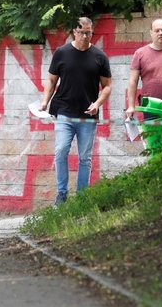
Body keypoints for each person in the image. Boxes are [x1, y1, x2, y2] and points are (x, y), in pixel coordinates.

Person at [40, 17, 113, 205]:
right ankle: (62, 194)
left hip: (87, 115)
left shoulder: (99, 57)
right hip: (64, 110)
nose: (85, 36)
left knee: (85, 158)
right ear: (74, 31)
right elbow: (51, 80)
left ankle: (82, 198)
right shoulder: (62, 53)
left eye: (89, 32)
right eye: (82, 32)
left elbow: (107, 86)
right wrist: (45, 101)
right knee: (61, 150)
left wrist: (97, 104)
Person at [126, 18, 162, 120]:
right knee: (154, 136)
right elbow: (133, 81)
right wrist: (131, 106)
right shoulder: (140, 53)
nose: (160, 33)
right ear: (151, 33)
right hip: (151, 106)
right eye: (157, 30)